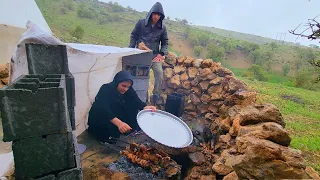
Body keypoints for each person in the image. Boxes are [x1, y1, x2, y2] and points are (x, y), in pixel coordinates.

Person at [87, 70, 156, 143]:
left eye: (128, 87)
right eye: (123, 86)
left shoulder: (128, 90)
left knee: (131, 107)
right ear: (117, 82)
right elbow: (103, 108)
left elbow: (135, 100)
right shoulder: (106, 89)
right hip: (100, 120)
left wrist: (144, 107)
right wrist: (119, 123)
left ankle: (128, 131)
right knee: (105, 139)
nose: (126, 89)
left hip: (113, 117)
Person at [129, 2, 169, 103]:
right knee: (142, 77)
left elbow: (165, 42)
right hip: (141, 55)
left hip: (154, 56)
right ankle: (143, 99)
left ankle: (155, 95)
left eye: (158, 15)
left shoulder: (162, 28)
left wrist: (161, 54)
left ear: (161, 16)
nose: (156, 16)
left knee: (159, 73)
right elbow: (134, 36)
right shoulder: (141, 23)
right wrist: (130, 49)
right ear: (151, 13)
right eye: (154, 14)